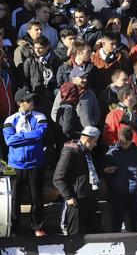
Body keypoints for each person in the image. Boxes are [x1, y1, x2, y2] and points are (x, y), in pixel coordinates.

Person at [2, 88, 48, 237]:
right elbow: (9, 140)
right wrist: (29, 136)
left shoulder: (40, 116)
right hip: (16, 165)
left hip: (36, 163)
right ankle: (14, 228)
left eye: (32, 99)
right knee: (15, 200)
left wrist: (19, 136)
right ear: (19, 103)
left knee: (37, 198)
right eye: (28, 100)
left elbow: (40, 134)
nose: (32, 102)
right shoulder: (10, 120)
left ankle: (37, 227)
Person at [53, 126, 102, 235]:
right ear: (88, 140)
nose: (96, 144)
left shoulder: (87, 152)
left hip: (91, 199)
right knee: (75, 236)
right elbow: (58, 178)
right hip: (76, 201)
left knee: (96, 234)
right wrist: (69, 197)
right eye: (95, 141)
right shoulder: (70, 151)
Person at [103, 126, 137, 232]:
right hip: (117, 194)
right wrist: (107, 172)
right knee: (116, 225)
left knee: (136, 224)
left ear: (131, 140)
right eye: (121, 143)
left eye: (126, 143)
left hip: (135, 194)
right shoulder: (112, 152)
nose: (124, 146)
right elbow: (104, 171)